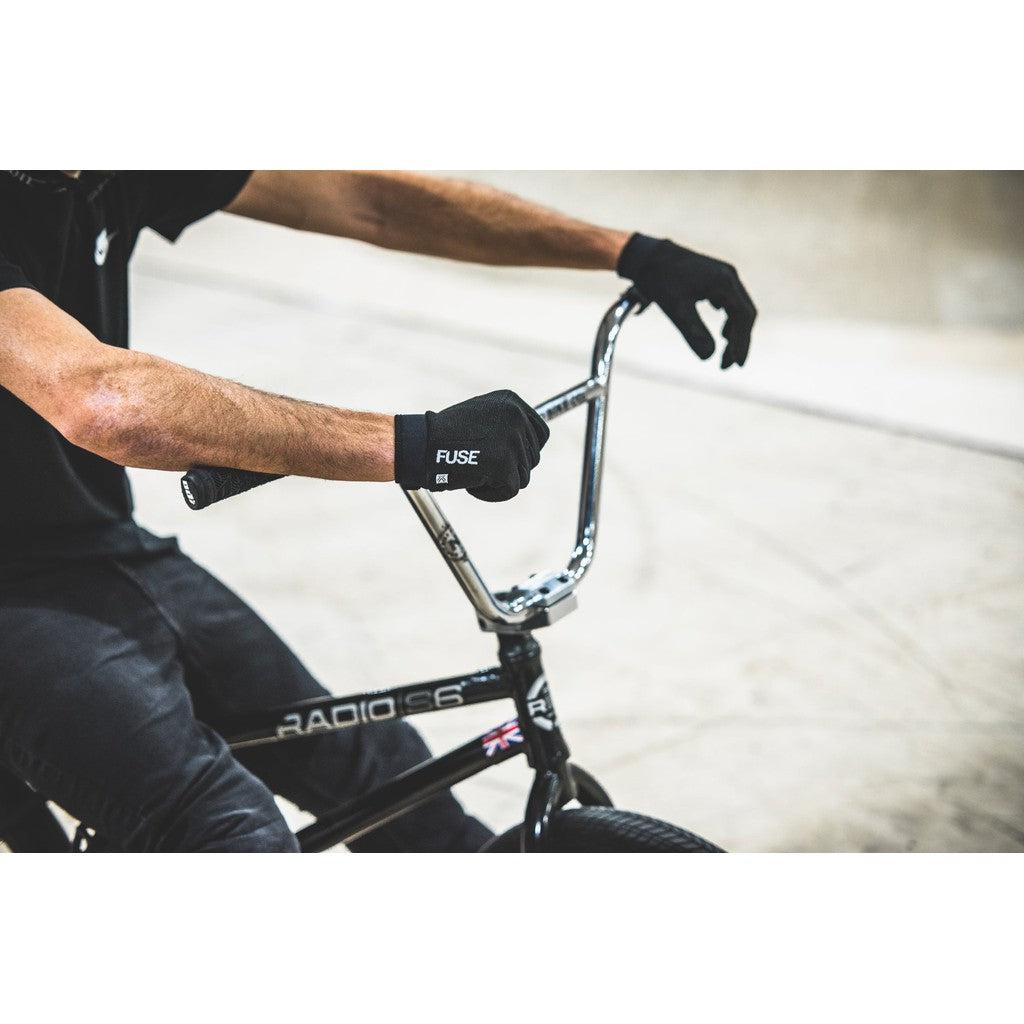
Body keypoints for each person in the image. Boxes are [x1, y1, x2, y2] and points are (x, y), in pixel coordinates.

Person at [0, 170, 756, 852]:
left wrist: (628, 250)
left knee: (401, 788)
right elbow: (103, 398)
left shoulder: (99, 169)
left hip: (98, 542)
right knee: (230, 833)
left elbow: (367, 199)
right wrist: (421, 443)